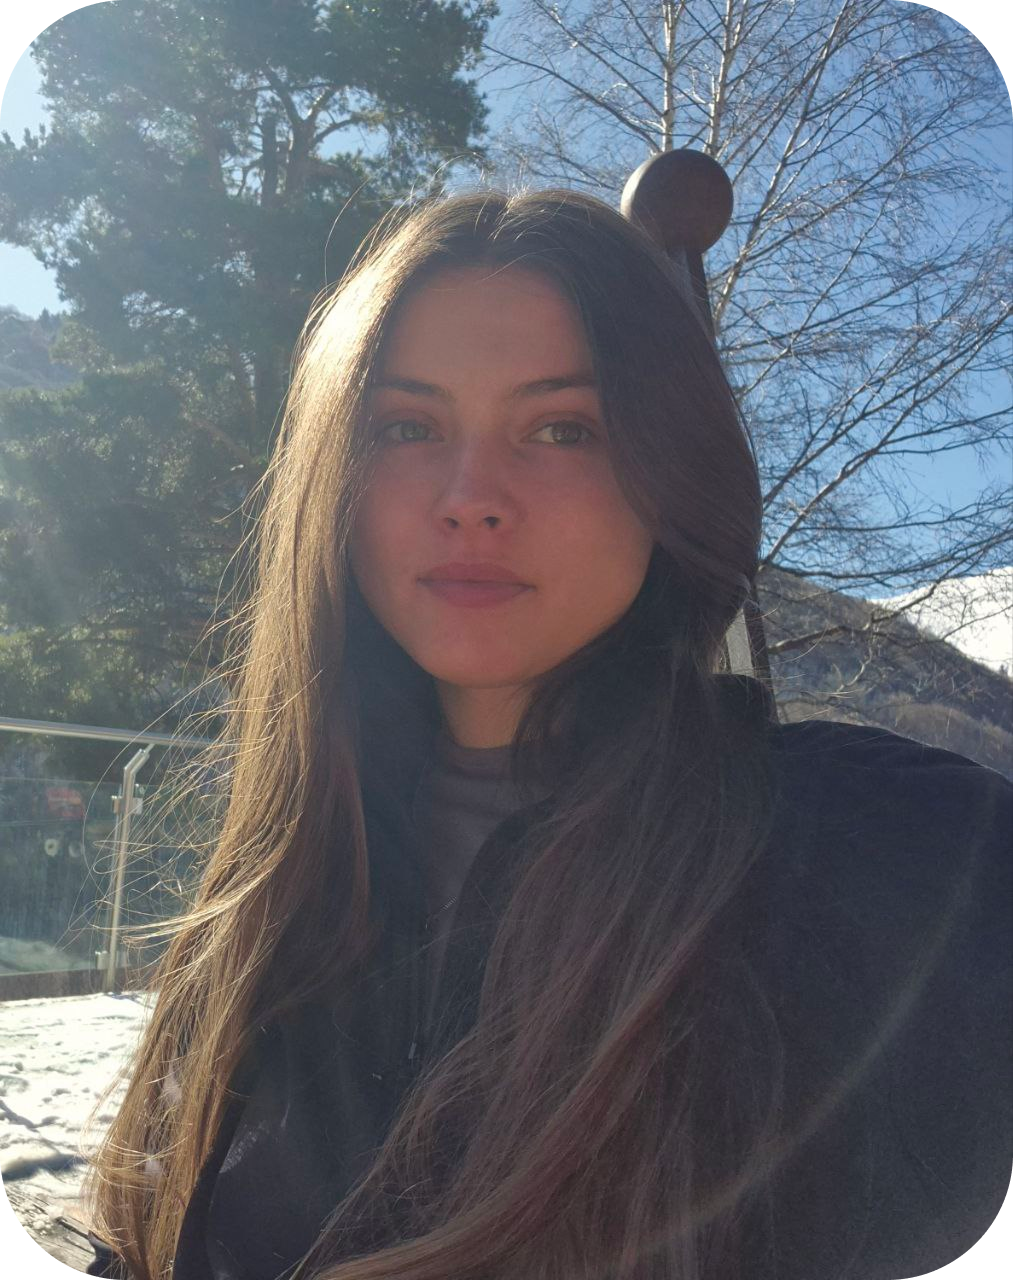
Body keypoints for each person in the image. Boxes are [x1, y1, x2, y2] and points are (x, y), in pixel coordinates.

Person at [80, 188, 1011, 1280]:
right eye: (405, 427)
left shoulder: (895, 857)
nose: (470, 496)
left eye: (563, 428)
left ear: (670, 476)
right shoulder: (276, 883)